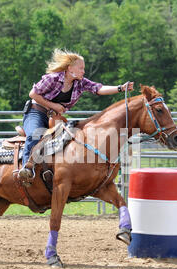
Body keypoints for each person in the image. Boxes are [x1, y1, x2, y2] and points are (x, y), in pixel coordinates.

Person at [18, 48, 134, 182]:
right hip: (36, 112)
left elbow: (99, 88)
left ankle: (58, 173)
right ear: (70, 68)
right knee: (34, 134)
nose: (83, 71)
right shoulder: (52, 79)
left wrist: (120, 88)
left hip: (55, 118)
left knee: (69, 141)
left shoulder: (81, 82)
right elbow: (33, 94)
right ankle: (27, 168)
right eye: (81, 68)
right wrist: (54, 106)